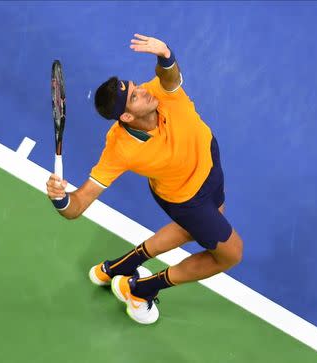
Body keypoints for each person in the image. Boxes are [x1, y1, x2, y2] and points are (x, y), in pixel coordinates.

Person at [46, 33, 243, 325]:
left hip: (209, 164)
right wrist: (60, 198)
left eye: (135, 86)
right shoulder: (120, 149)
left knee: (209, 222)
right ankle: (140, 290)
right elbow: (77, 205)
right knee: (230, 255)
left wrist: (165, 55)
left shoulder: (160, 93)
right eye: (135, 96)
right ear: (125, 117)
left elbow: (169, 76)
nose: (144, 91)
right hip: (186, 198)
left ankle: (121, 266)